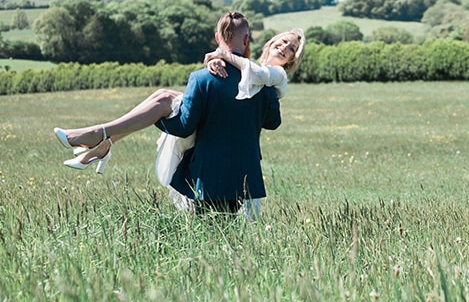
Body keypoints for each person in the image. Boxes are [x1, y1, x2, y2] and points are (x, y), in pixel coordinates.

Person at [54, 13, 305, 216]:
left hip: (211, 163)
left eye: (291, 47)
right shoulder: (249, 71)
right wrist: (217, 61)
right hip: (240, 166)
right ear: (257, 41)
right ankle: (105, 141)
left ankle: (102, 137)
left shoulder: (274, 78)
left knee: (163, 100)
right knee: (163, 95)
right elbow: (261, 101)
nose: (284, 47)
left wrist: (219, 56)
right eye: (281, 41)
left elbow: (264, 102)